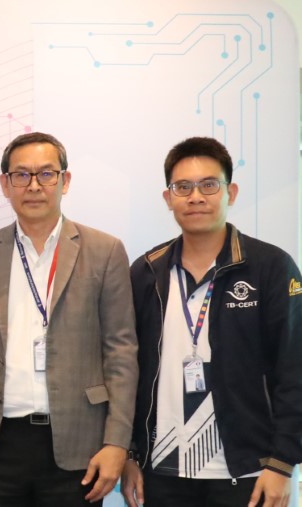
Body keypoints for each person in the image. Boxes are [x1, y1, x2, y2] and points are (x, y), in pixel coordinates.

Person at [0, 132, 138, 506]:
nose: (34, 186)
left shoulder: (104, 251)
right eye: (22, 175)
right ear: (5, 184)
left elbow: (121, 353)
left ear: (64, 181)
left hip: (79, 445)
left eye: (46, 174)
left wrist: (117, 442)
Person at [120, 137, 300, 507]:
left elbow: (294, 367)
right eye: (183, 187)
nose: (196, 197)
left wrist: (282, 462)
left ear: (230, 193)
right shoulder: (147, 271)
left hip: (249, 470)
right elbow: (129, 369)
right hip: (162, 471)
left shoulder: (270, 267)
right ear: (168, 198)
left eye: (209, 185)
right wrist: (131, 453)